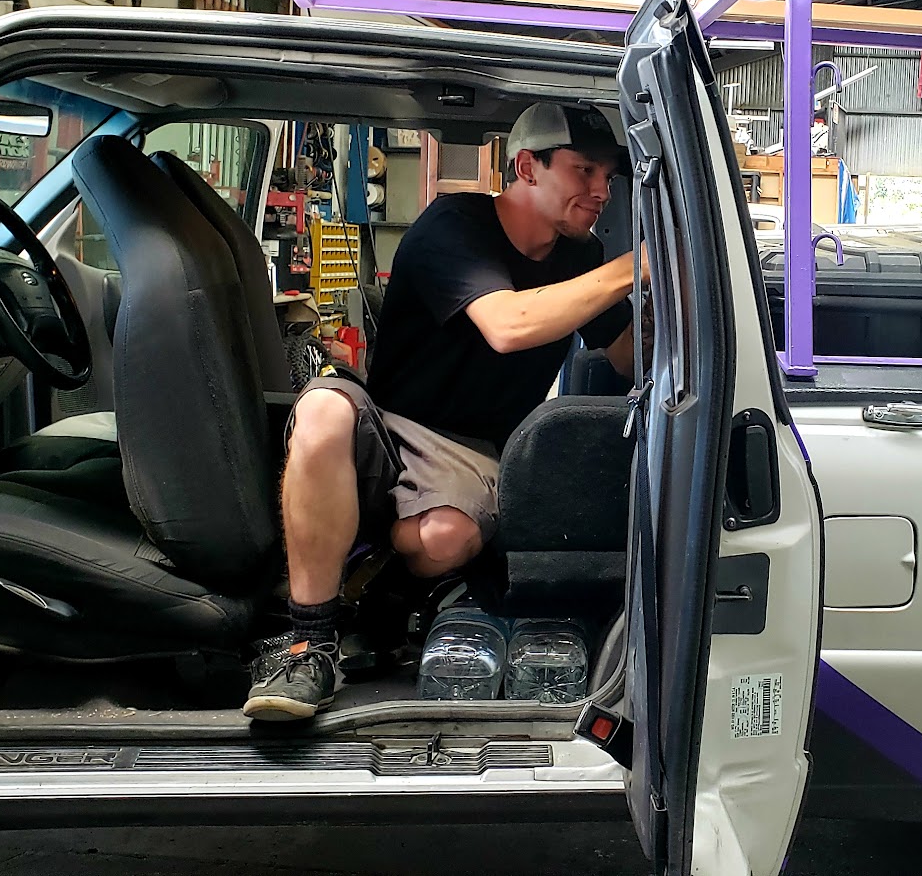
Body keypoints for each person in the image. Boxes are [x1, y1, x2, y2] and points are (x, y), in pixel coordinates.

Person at [245, 104, 638, 721]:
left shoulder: (580, 258)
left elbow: (630, 357)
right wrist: (635, 266)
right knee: (321, 410)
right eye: (584, 170)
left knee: (445, 538)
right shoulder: (455, 225)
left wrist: (681, 302)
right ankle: (307, 645)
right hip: (389, 421)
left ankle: (369, 575)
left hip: (471, 448)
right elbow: (508, 326)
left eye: (608, 177)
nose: (601, 191)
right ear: (527, 167)